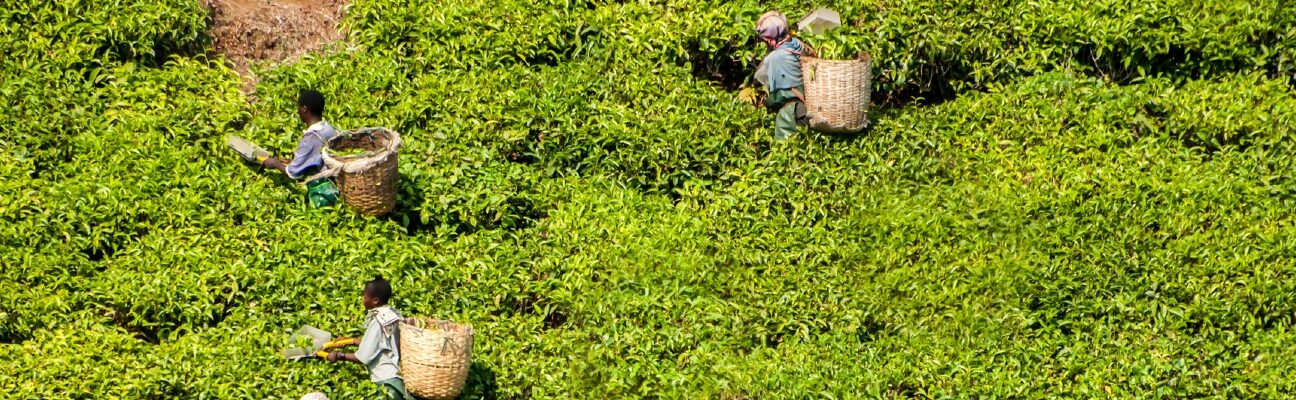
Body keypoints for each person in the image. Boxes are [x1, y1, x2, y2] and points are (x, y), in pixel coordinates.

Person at [324, 276, 414, 400]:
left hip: (386, 380)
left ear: (375, 300)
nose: (363, 299)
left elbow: (363, 357)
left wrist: (339, 356)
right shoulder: (394, 315)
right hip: (398, 377)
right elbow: (383, 343)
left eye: (365, 297)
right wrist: (352, 341)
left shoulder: (378, 322)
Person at [260, 89, 340, 208]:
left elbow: (293, 173)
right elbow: (317, 158)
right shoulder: (329, 128)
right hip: (337, 184)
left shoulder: (310, 138)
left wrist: (275, 163)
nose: (297, 112)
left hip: (323, 191)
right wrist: (292, 162)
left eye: (298, 107)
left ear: (304, 109)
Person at [754, 11, 816, 141]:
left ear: (771, 40)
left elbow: (757, 80)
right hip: (810, 108)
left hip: (792, 113)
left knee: (787, 150)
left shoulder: (774, 57)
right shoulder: (798, 45)